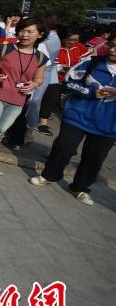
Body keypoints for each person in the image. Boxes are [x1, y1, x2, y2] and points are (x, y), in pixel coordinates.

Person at [29, 34, 116, 206]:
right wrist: (91, 92)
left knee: (94, 158)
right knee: (63, 147)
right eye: (111, 45)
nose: (112, 50)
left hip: (108, 125)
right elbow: (68, 82)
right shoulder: (91, 63)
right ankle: (49, 175)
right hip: (78, 116)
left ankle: (80, 187)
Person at [0, 18, 48, 178]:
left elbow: (39, 78)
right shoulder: (4, 48)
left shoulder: (40, 58)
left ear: (40, 35)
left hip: (18, 99)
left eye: (29, 31)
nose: (24, 34)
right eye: (22, 30)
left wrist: (34, 84)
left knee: (0, 130)